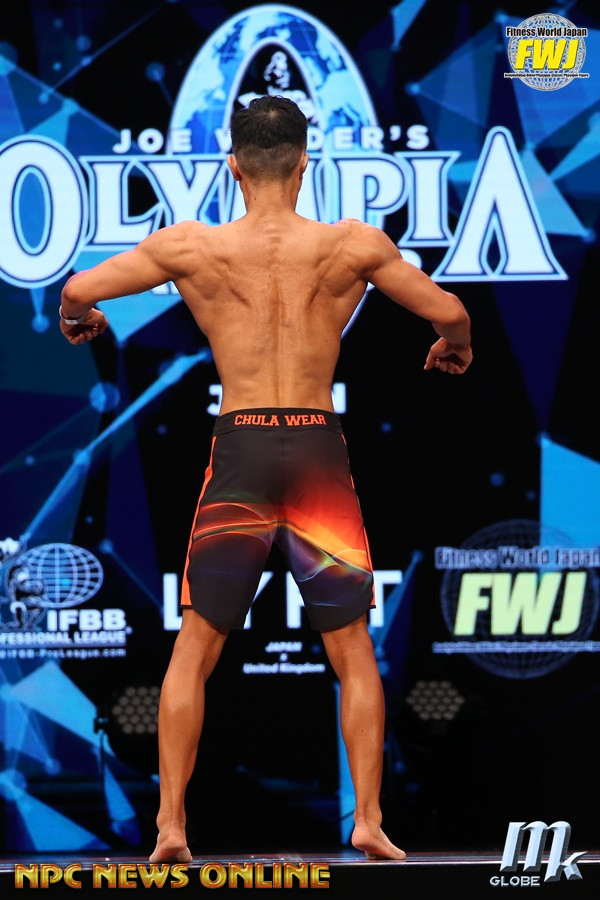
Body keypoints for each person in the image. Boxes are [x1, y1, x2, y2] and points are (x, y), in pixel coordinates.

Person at [59, 95, 472, 862]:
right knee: (351, 647)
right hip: (316, 452)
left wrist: (83, 320)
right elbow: (449, 311)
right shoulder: (352, 245)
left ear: (233, 166)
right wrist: (455, 345)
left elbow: (79, 291)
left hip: (241, 452)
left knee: (195, 647)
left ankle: (172, 827)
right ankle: (369, 820)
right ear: (305, 163)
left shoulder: (193, 247)